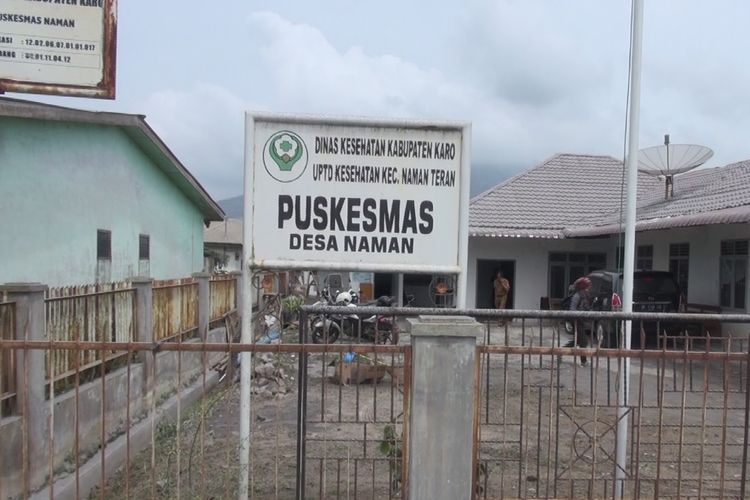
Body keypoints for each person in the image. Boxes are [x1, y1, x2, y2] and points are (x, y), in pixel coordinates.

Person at [566, 276, 592, 365]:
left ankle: (560, 351)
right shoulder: (577, 296)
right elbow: (572, 309)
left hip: (581, 321)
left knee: (578, 341)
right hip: (576, 321)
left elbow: (586, 307)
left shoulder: (585, 295)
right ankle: (583, 361)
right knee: (584, 341)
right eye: (588, 286)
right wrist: (581, 313)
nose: (589, 288)